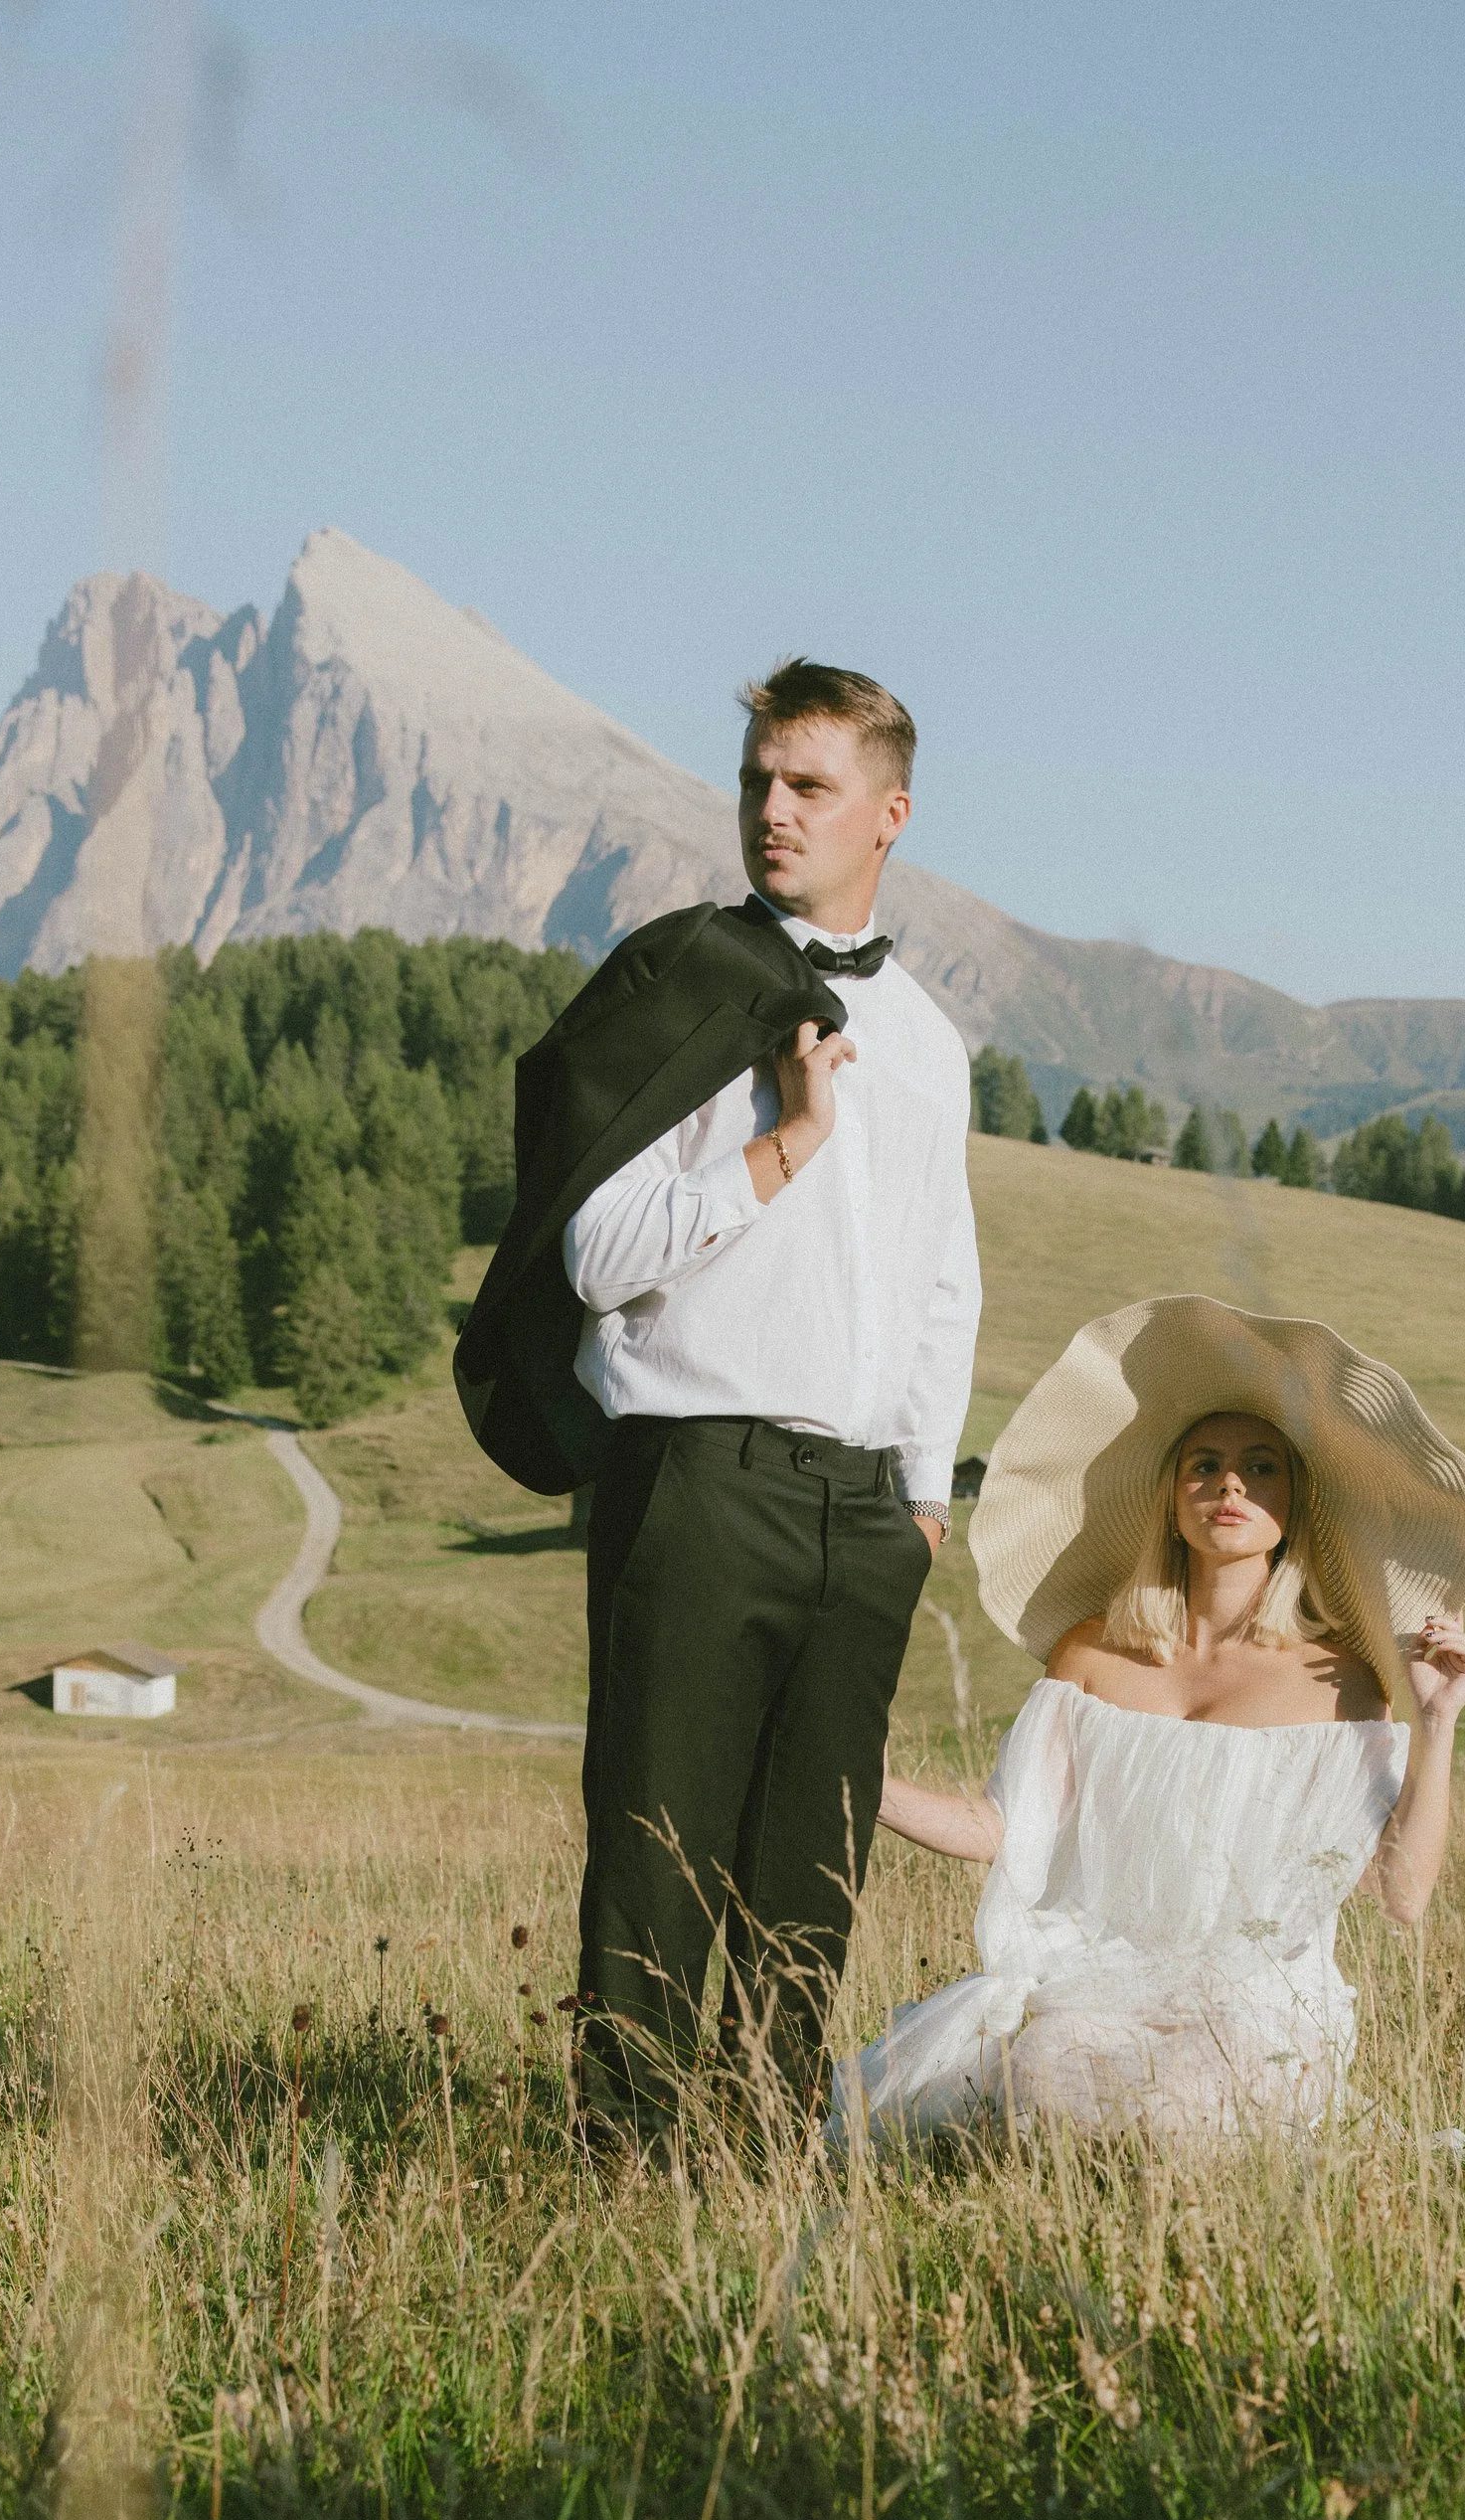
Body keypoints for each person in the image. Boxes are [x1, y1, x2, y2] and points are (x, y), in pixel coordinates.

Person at [453, 659, 980, 2143]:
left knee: (810, 1866)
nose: (772, 810)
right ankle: (626, 2170)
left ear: (890, 810)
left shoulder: (933, 1044)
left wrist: (924, 1495)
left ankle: (755, 2162)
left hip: (866, 1508)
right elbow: (600, 1252)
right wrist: (787, 1142)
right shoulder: (678, 984)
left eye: (808, 785)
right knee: (658, 1845)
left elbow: (948, 1286)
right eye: (756, 779)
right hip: (694, 1476)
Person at [834, 1294, 1465, 2141]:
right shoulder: (1091, 1657)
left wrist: (1437, 1723)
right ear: (1173, 1496)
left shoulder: (1340, 1685)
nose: (1229, 1485)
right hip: (1092, 1984)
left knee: (1186, 2108)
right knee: (1042, 2081)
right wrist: (860, 1775)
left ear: (1295, 1507)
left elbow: (1401, 1895)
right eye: (1204, 1465)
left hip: (1254, 2004)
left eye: (1261, 1467)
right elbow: (1000, 1825)